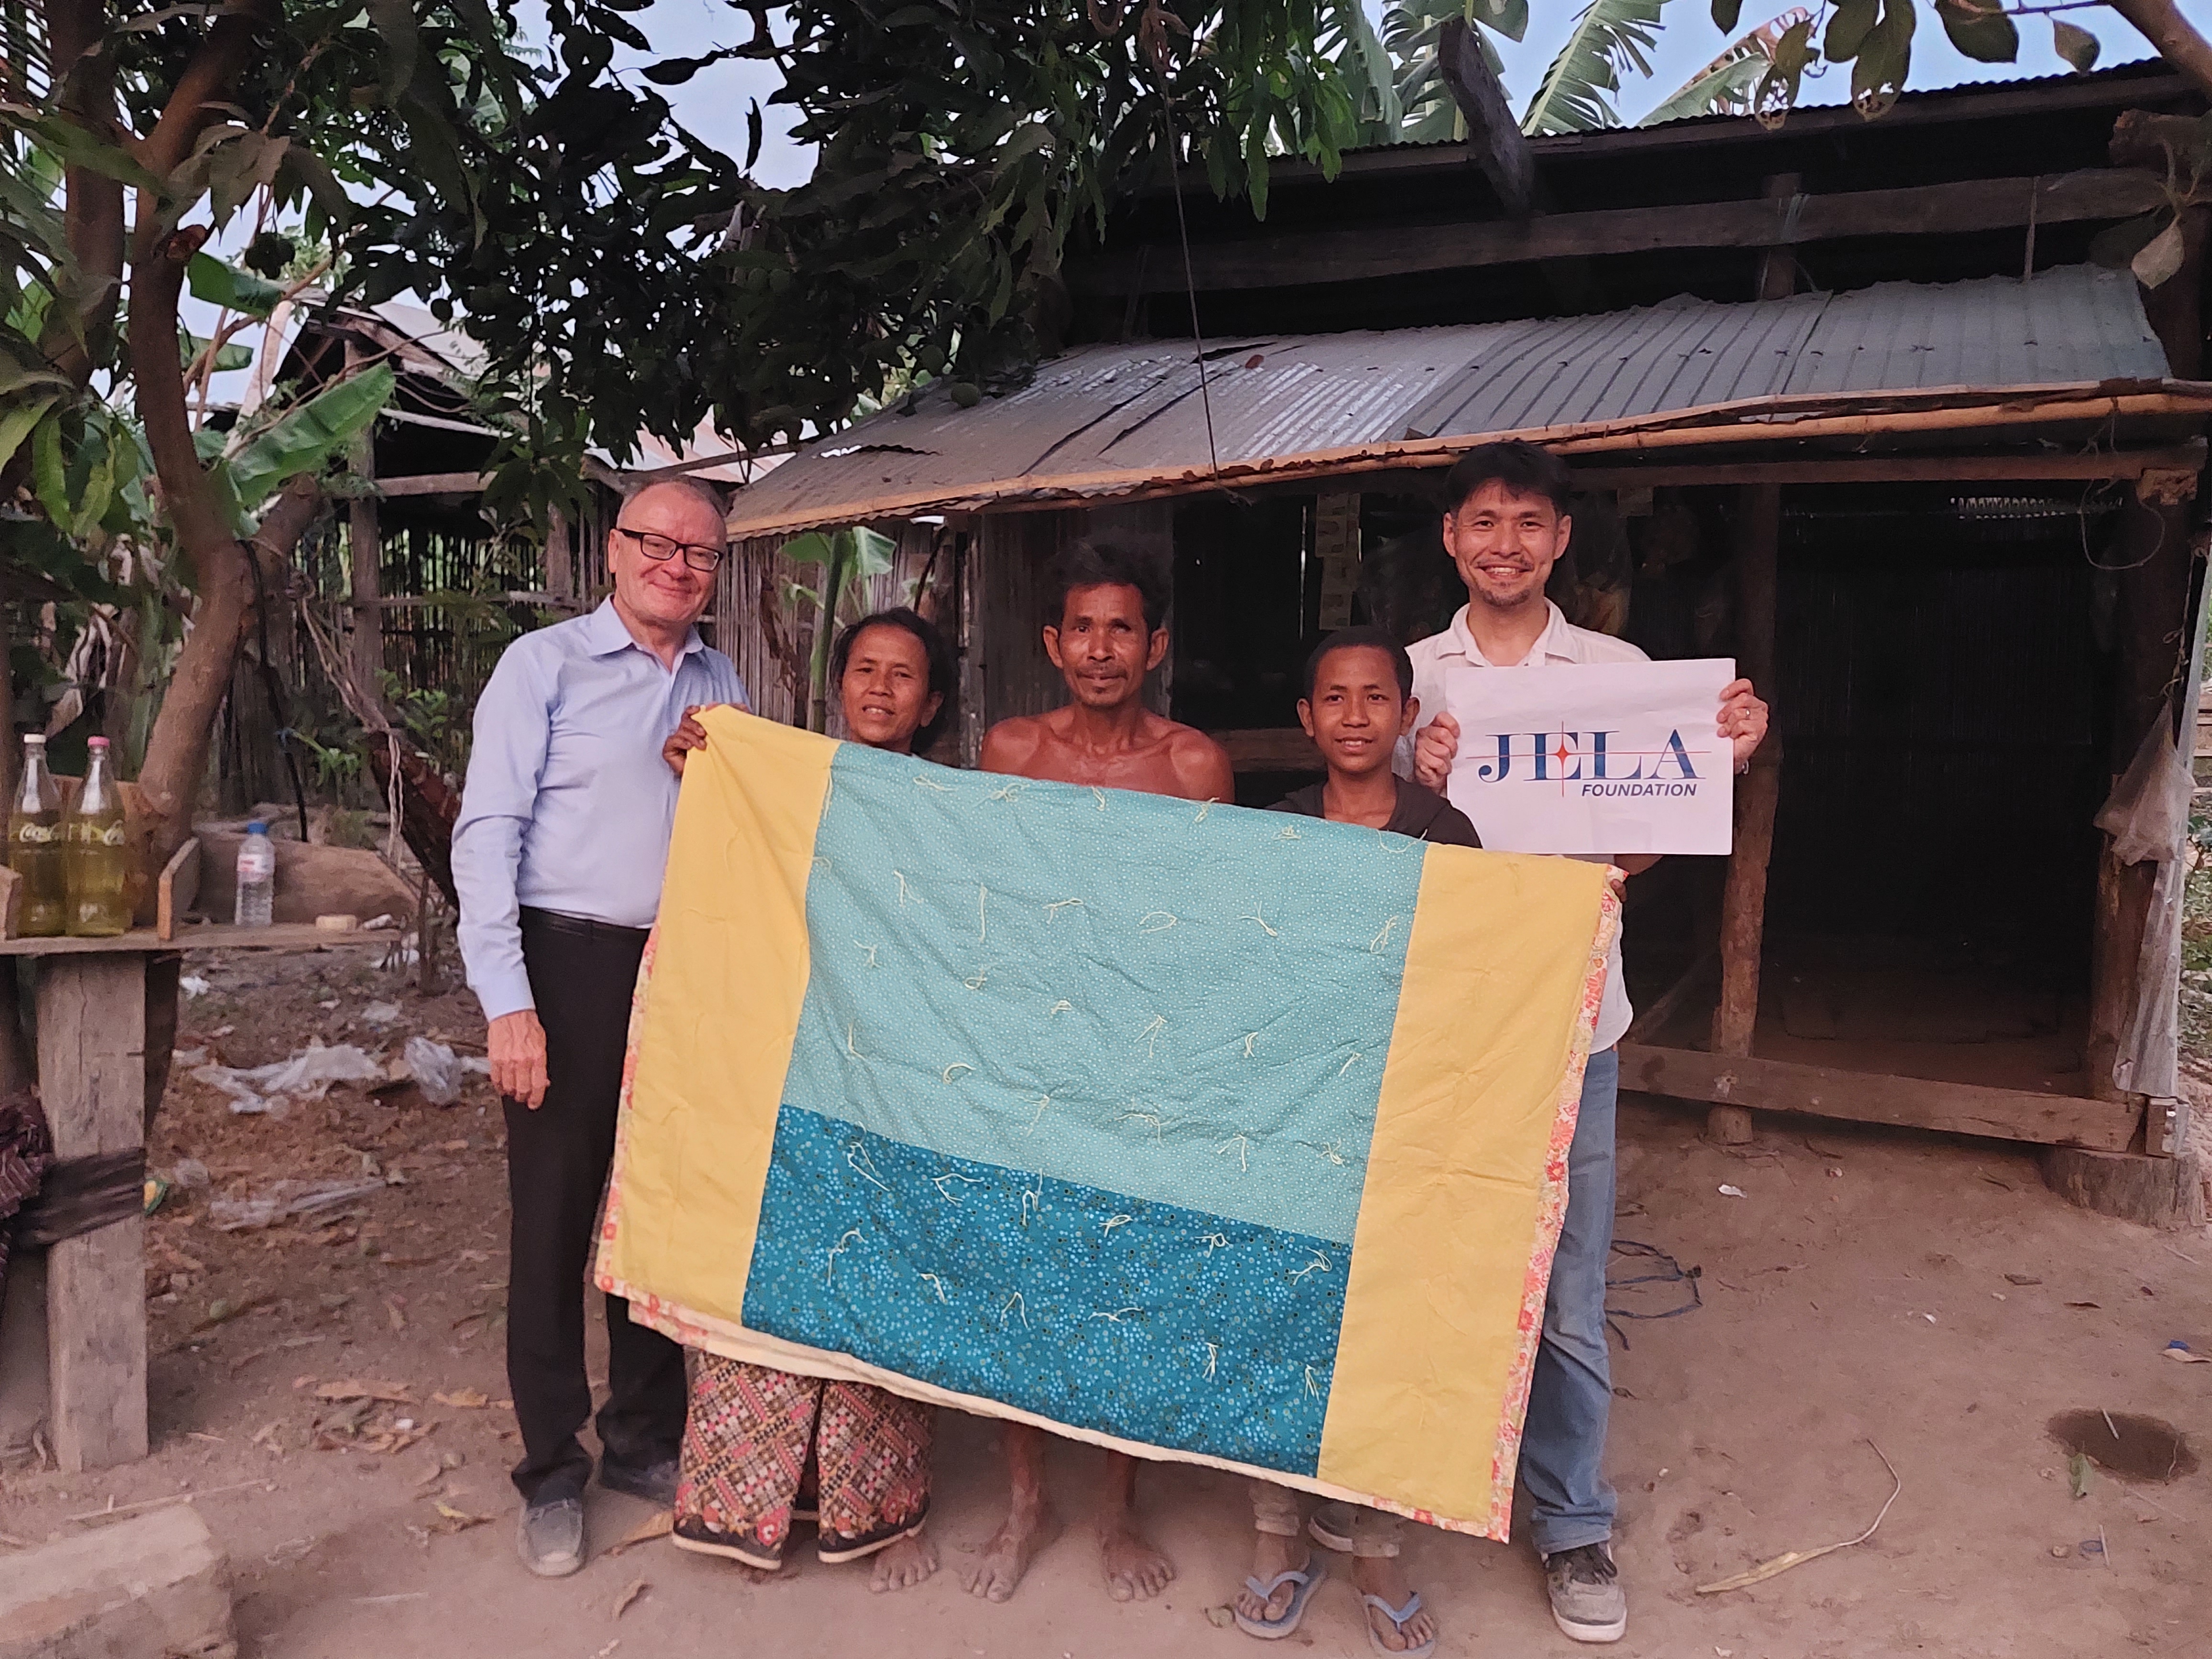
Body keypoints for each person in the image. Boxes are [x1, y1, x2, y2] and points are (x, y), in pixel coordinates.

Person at [1401, 441, 1769, 1645]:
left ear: (1560, 540)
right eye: (1480, 521)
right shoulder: (1405, 681)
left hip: (1573, 1020)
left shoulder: (1619, 674)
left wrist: (1714, 757)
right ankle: (1431, 1482)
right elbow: (1371, 842)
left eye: (1526, 521)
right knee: (1431, 1257)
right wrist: (1418, 777)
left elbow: (1636, 845)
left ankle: (1571, 1524)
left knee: (1566, 1287)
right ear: (1450, 538)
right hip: (1440, 1021)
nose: (1502, 541)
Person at [452, 477, 746, 1579]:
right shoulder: (545, 667)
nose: (677, 566)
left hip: (681, 972)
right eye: (657, 544)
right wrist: (508, 1001)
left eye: (701, 554)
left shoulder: (721, 682)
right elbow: (487, 837)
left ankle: (641, 1440)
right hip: (564, 961)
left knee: (654, 1212)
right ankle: (550, 1472)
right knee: (556, 1217)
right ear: (613, 552)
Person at [658, 608, 954, 1592]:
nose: (879, 688)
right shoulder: (787, 781)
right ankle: (758, 1504)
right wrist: (706, 772)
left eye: (902, 676)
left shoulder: (952, 809)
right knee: (776, 1275)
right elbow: (737, 871)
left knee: (881, 1281)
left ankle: (883, 1511)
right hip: (788, 1062)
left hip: (900, 1079)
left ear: (933, 702)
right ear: (838, 685)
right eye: (863, 670)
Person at [966, 539, 1234, 1604]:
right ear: (1051, 642)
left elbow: (1220, 919)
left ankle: (1115, 1505)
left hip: (1145, 1053)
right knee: (1022, 1276)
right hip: (1031, 1047)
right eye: (1081, 627)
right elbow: (977, 896)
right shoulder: (1009, 751)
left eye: (1122, 627)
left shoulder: (1192, 766)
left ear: (1155, 645)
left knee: (1130, 1274)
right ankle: (1027, 1500)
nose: (1100, 648)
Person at [1224, 628, 1478, 1657]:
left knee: (1391, 1325)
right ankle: (1278, 1539)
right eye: (1335, 696)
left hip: (1404, 1113)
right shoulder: (1275, 832)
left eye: (1378, 697)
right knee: (1281, 1320)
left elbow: (1476, 970)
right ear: (1305, 718)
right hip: (1293, 1116)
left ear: (1407, 715)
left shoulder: (1444, 832)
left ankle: (1376, 1549)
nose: (1357, 715)